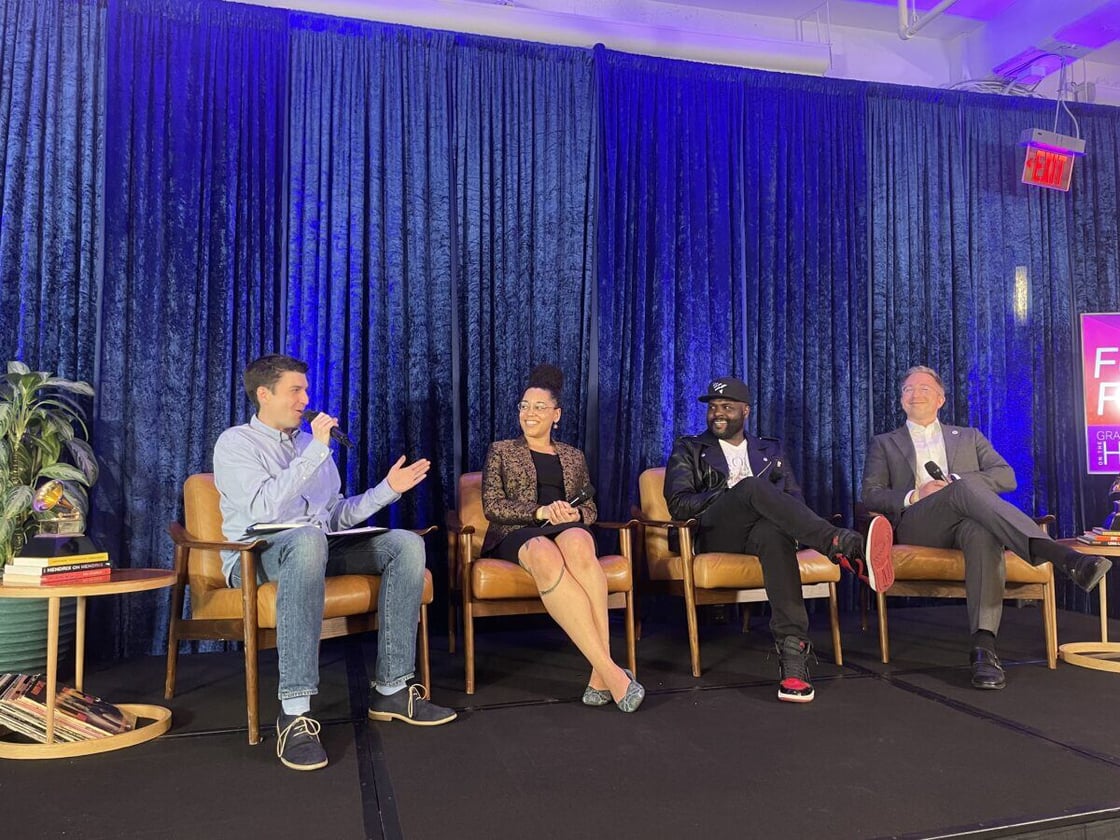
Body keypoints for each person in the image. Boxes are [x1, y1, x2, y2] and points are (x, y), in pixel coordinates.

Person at [213, 354, 456, 772]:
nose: (305, 399)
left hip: (316, 546)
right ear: (264, 394)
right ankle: (294, 714)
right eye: (296, 390)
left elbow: (334, 516)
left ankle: (394, 689)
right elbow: (264, 509)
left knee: (404, 544)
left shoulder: (311, 446)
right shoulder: (236, 444)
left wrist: (386, 491)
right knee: (307, 540)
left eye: (305, 390)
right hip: (255, 556)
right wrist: (316, 453)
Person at [861, 365, 1112, 690]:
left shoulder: (968, 436)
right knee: (963, 490)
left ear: (941, 399)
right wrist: (915, 494)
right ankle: (1059, 555)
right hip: (920, 524)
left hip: (969, 524)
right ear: (900, 400)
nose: (915, 394)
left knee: (982, 529)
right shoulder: (885, 443)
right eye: (908, 389)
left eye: (924, 388)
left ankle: (983, 648)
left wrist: (957, 483)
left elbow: (1006, 476)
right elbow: (871, 494)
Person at [665, 375, 895, 703]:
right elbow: (679, 503)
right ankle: (844, 546)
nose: (717, 413)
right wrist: (733, 494)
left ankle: (793, 655)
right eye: (713, 407)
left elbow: (793, 502)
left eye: (727, 407)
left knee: (774, 533)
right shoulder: (689, 448)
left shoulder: (770, 450)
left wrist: (758, 502)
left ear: (745, 411)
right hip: (713, 532)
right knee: (752, 488)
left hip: (760, 534)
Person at [481, 364, 645, 712]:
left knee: (579, 542)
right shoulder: (501, 450)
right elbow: (493, 506)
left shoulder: (573, 456)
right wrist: (540, 512)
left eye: (539, 407)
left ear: (557, 414)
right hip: (520, 531)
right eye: (524, 406)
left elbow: (590, 506)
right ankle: (613, 674)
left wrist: (576, 515)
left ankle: (600, 675)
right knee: (544, 552)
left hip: (565, 527)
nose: (529, 413)